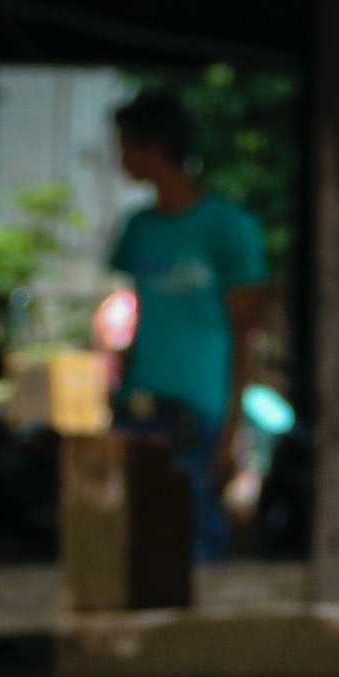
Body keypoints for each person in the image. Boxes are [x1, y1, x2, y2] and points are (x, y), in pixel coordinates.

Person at [102, 88, 270, 558]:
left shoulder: (227, 227)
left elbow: (246, 332)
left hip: (200, 403)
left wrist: (234, 425)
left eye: (124, 143)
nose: (119, 156)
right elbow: (138, 316)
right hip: (140, 397)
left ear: (152, 146)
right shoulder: (139, 227)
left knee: (194, 530)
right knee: (133, 532)